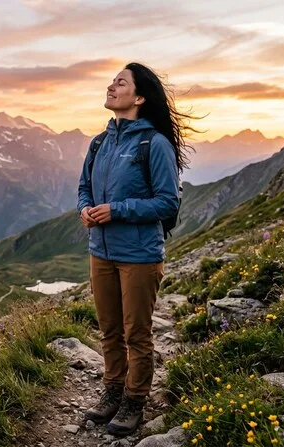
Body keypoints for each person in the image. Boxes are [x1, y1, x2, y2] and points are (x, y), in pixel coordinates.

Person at [78, 62, 191, 436]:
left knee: (136, 334)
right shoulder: (99, 143)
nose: (111, 87)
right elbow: (84, 188)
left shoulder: (153, 144)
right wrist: (85, 209)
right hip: (101, 252)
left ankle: (134, 400)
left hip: (140, 256)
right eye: (112, 81)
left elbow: (167, 203)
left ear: (139, 97)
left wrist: (117, 210)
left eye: (120, 83)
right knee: (109, 330)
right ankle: (112, 391)